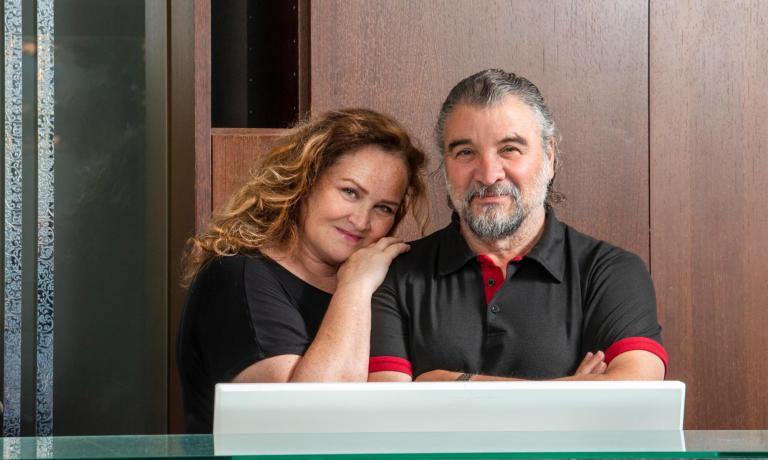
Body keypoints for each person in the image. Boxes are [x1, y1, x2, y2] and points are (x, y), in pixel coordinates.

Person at [369, 69, 667, 382]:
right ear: (446, 165)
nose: (488, 174)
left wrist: (450, 383)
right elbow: (391, 412)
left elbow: (633, 396)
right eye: (465, 152)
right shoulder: (397, 274)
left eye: (509, 149)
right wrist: (573, 391)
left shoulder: (610, 271)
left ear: (549, 158)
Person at [177, 108, 428, 432]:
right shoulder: (237, 279)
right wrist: (355, 286)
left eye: (383, 208)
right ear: (304, 182)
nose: (362, 221)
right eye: (350, 192)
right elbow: (308, 424)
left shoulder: (386, 284)